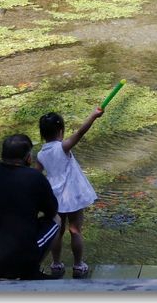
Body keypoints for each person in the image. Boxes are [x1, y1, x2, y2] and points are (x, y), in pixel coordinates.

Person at [0, 134, 60, 280]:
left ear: (2, 155)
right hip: (20, 261)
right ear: (28, 157)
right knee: (57, 219)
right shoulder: (35, 177)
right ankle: (31, 269)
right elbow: (52, 210)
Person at [35, 108, 103, 278]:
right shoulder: (63, 147)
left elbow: (35, 176)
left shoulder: (40, 154)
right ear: (61, 131)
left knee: (57, 231)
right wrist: (93, 116)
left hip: (54, 197)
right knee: (75, 230)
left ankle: (56, 263)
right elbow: (80, 132)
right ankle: (79, 265)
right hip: (72, 196)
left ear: (42, 134)